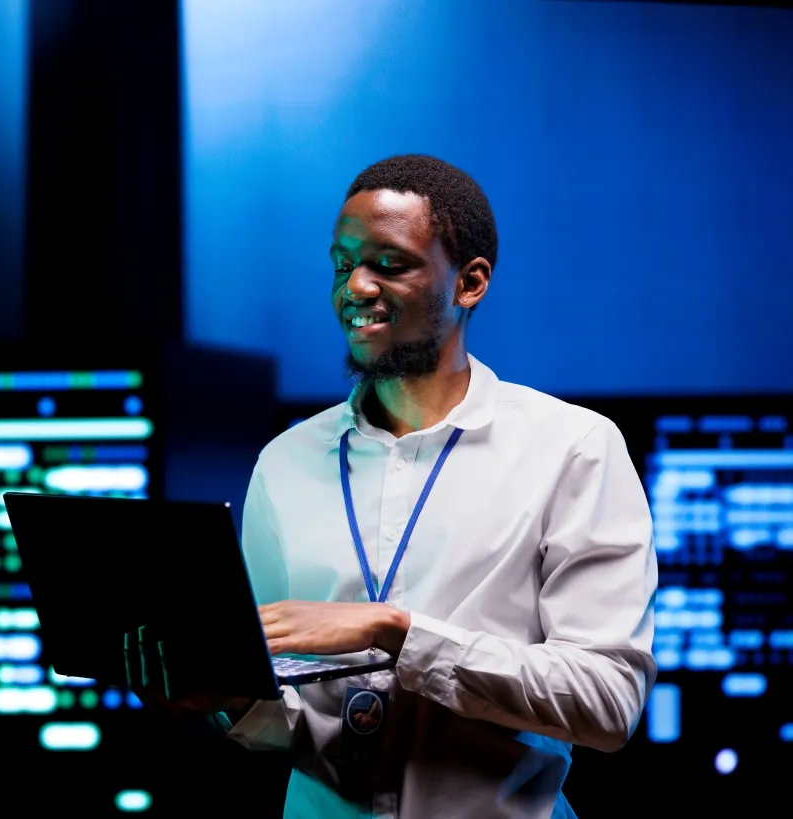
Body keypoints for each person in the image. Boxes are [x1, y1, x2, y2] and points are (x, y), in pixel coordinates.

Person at [126, 154, 657, 818]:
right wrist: (225, 700)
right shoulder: (285, 461)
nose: (356, 287)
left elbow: (606, 703)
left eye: (390, 263)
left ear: (469, 282)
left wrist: (396, 631)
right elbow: (285, 713)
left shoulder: (572, 447)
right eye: (343, 264)